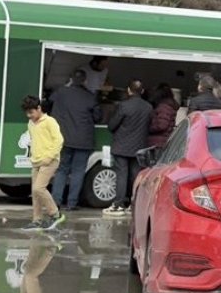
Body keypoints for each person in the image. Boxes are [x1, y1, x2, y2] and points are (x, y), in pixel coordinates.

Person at [48, 69, 99, 213]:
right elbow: (98, 117)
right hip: (83, 140)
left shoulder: (60, 92)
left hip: (63, 139)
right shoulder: (90, 97)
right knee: (78, 172)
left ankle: (56, 202)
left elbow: (49, 103)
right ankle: (71, 203)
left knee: (61, 170)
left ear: (71, 79)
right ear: (85, 81)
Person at [105, 79, 153, 216]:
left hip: (121, 147)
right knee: (135, 177)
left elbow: (112, 125)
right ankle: (134, 204)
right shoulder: (148, 107)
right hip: (139, 147)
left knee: (121, 175)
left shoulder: (123, 106)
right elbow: (150, 126)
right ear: (142, 91)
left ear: (128, 90)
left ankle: (118, 205)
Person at [20, 95, 65, 231]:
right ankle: (37, 220)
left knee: (38, 188)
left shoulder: (50, 121)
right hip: (36, 161)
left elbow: (59, 140)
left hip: (49, 161)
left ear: (39, 108)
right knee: (35, 193)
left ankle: (55, 214)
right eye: (27, 113)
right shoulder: (31, 123)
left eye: (31, 112)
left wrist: (49, 157)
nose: (29, 116)